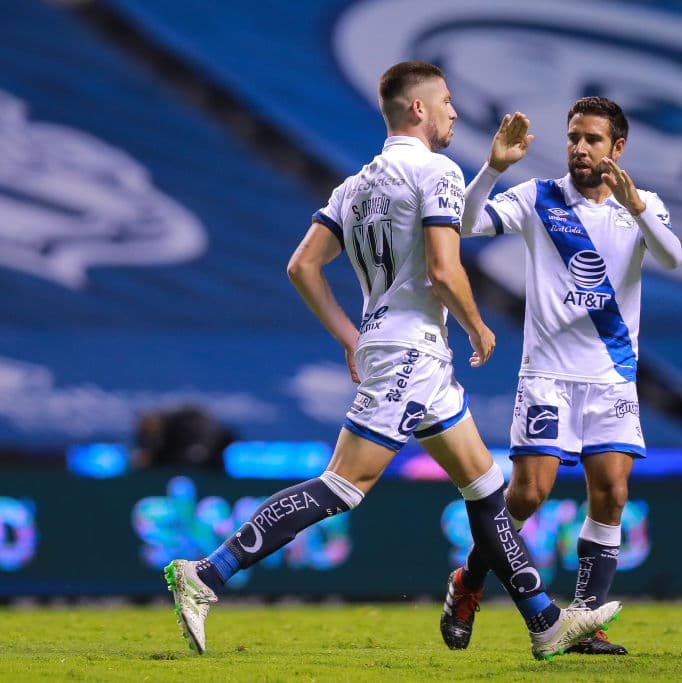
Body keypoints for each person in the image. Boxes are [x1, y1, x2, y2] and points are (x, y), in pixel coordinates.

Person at [164, 62, 620, 660]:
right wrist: (477, 324)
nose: (455, 112)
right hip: (411, 353)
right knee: (343, 485)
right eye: (448, 101)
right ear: (418, 111)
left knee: (485, 488)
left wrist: (351, 338)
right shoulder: (437, 172)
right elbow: (442, 266)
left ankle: (543, 622)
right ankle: (207, 574)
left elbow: (302, 266)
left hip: (400, 346)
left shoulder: (355, 184)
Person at [440, 98, 682, 655]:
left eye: (592, 140)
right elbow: (468, 223)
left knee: (613, 494)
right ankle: (468, 582)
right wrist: (495, 166)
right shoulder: (538, 197)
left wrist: (638, 205)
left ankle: (582, 622)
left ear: (617, 149)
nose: (579, 148)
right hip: (548, 375)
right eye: (574, 137)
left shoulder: (643, 207)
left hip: (612, 376)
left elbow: (671, 258)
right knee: (527, 496)